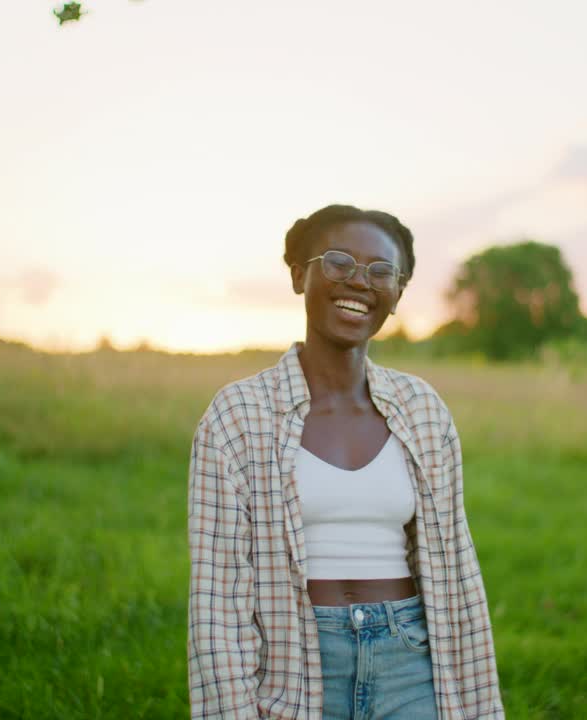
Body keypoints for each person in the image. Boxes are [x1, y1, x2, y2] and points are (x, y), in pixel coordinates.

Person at [187, 204, 503, 719]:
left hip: (410, 663)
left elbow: (458, 574)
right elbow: (218, 600)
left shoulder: (423, 410)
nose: (359, 281)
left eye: (381, 271)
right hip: (296, 665)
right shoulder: (238, 416)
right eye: (338, 262)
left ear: (398, 294)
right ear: (298, 274)